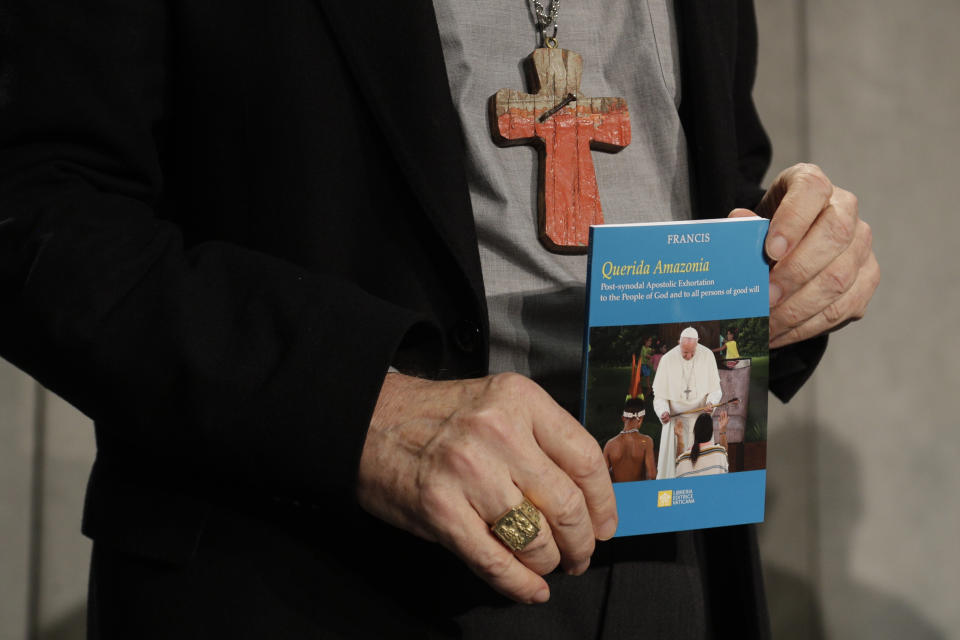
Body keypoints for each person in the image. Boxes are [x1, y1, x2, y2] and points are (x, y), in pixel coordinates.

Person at [0, 1, 879, 638]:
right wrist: (366, 413)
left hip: (672, 555)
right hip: (309, 562)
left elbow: (713, 178)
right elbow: (37, 205)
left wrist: (793, 264)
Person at [652, 328, 723, 479]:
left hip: (700, 421)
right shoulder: (667, 359)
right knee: (673, 470)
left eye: (692, 352)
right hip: (676, 422)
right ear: (679, 343)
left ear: (698, 343)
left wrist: (711, 402)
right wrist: (663, 411)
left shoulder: (708, 356)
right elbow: (659, 396)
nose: (689, 356)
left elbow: (716, 390)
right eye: (685, 353)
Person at [675, 412, 730, 478]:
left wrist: (679, 438)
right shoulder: (719, 452)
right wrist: (722, 430)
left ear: (694, 432)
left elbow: (679, 463)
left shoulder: (683, 459)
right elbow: (724, 453)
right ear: (711, 433)